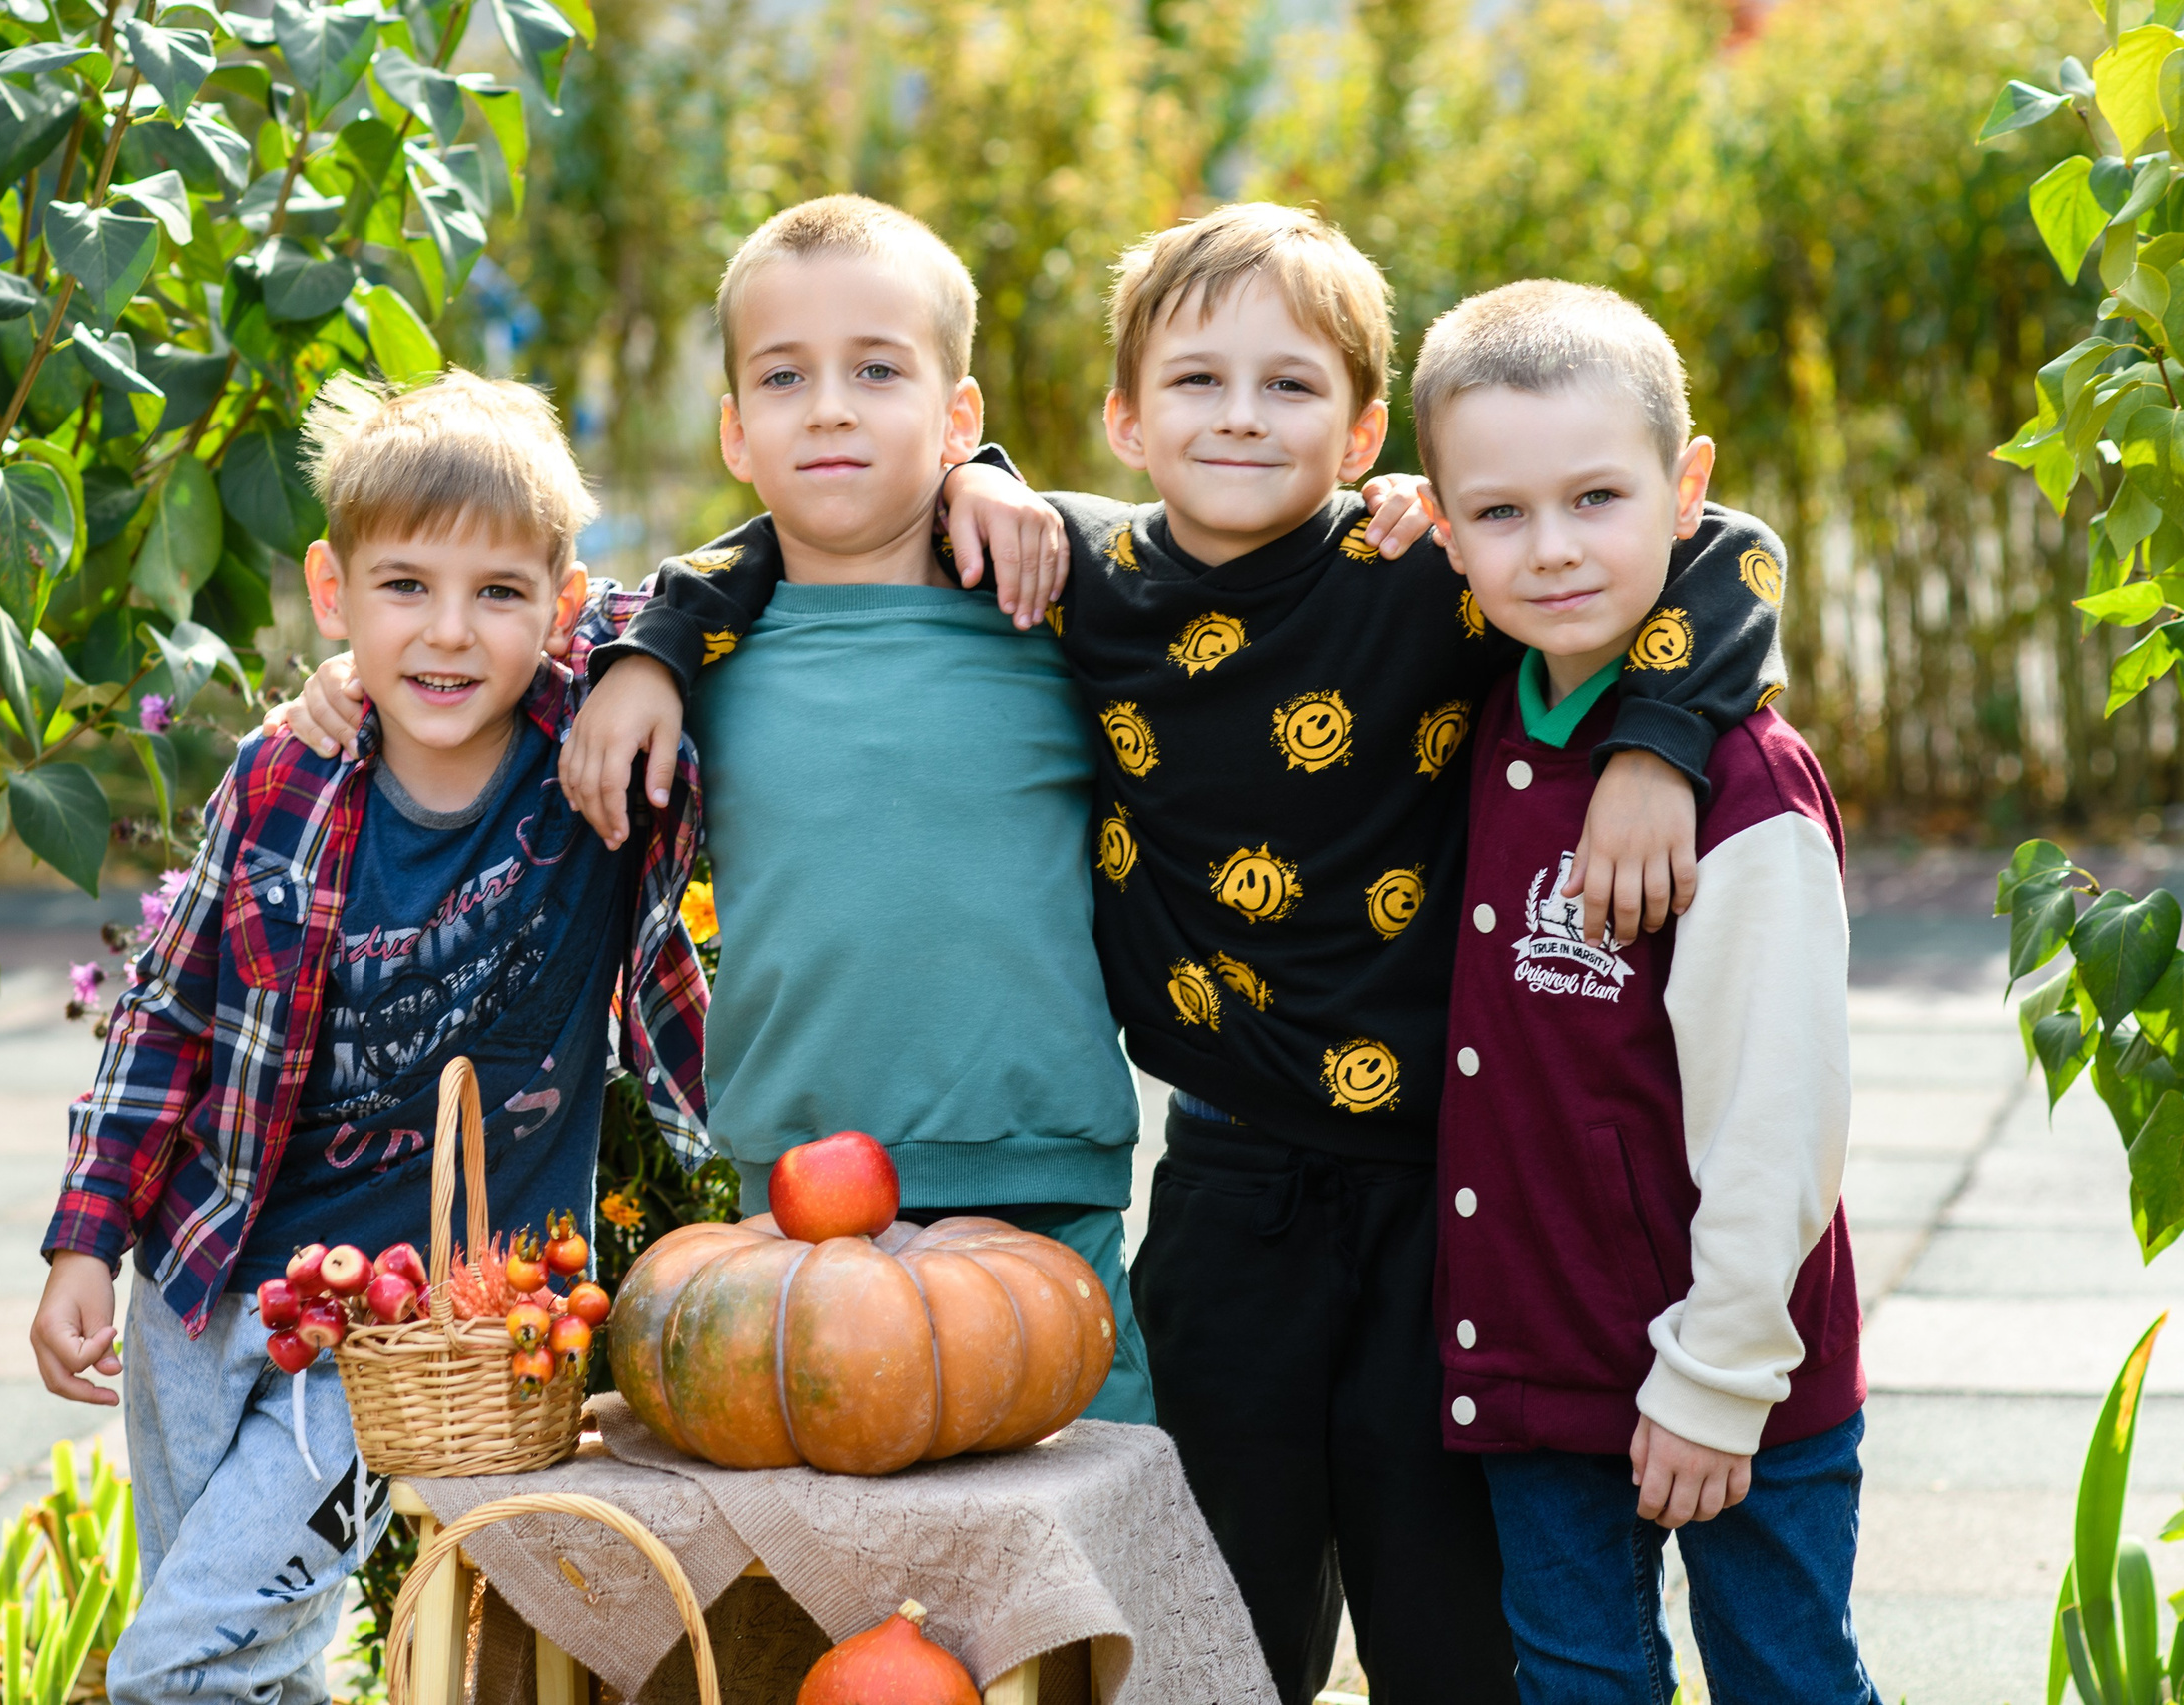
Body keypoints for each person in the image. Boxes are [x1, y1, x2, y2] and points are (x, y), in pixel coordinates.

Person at [569, 203, 1789, 1704]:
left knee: (1452, 1624)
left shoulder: (1434, 571)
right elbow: (820, 518)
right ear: (1127, 421)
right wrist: (660, 637)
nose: (1242, 415)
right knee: (1211, 1621)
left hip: (1453, 1187)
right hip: (1230, 1185)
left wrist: (1662, 746)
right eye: (1199, 381)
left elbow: (1722, 545)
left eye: (1291, 386)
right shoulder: (1075, 577)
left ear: (1360, 437)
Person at [269, 195, 1199, 1425]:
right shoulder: (689, 652)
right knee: (839, 1558)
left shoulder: (1049, 603)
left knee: (1090, 1536)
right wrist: (347, 685)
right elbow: (477, 659)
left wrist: (1400, 514)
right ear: (735, 433)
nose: (828, 404)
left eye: (878, 370)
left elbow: (1241, 577)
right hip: (795, 1199)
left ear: (957, 416)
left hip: (1037, 1165)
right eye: (783, 376)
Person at [26, 371, 706, 1705]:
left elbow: (725, 591)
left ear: (563, 610)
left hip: (397, 1324)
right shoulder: (285, 773)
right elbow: (171, 1008)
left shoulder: (591, 759)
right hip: (207, 1284)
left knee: (178, 1664)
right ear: (333, 594)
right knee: (257, 1658)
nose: (450, 635)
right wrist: (83, 1235)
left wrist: (651, 661)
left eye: (500, 594)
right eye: (406, 588)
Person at [1416, 279, 1874, 1704]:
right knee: (1575, 1680)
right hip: (1540, 1361)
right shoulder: (1494, 709)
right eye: (1497, 513)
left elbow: (1779, 1111)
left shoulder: (1739, 784)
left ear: (1687, 492)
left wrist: (1717, 1374)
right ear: (1440, 527)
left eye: (1597, 497)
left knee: (1785, 1679)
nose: (1550, 550)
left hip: (1735, 1375)